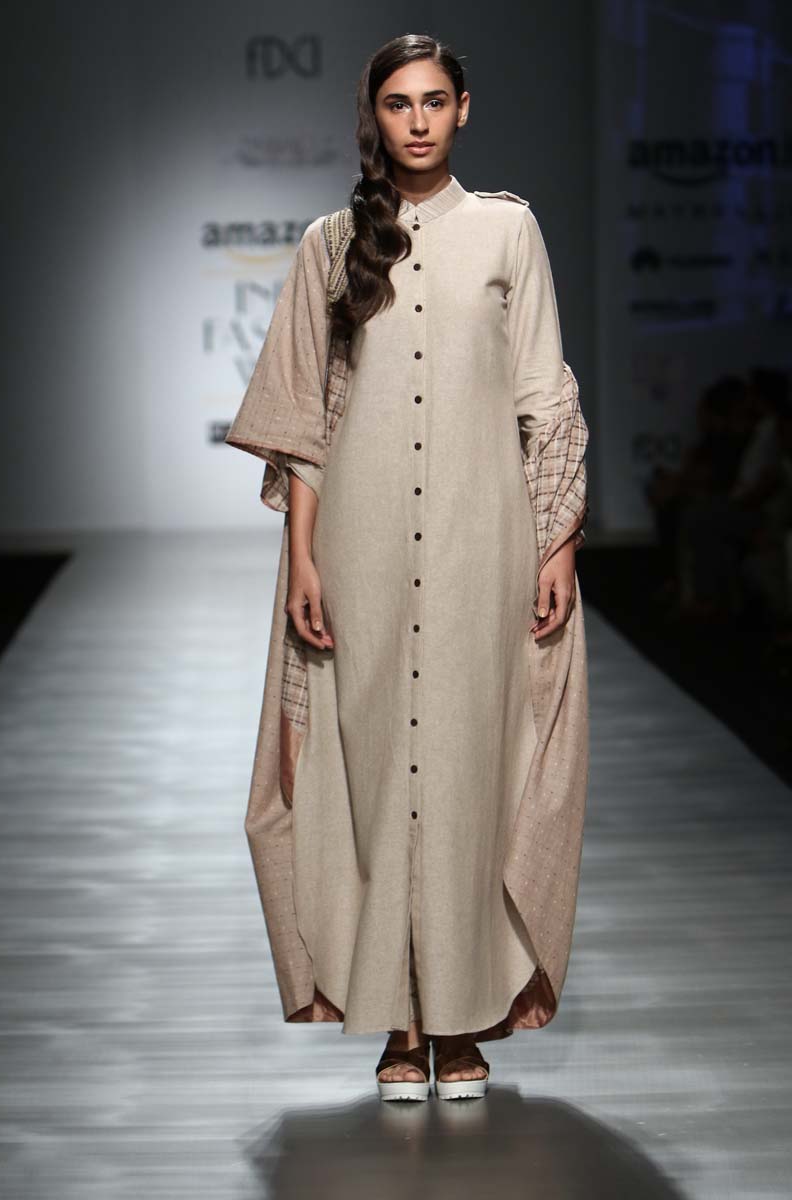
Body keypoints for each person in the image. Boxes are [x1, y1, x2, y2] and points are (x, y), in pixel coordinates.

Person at [225, 33, 590, 1102]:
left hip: (485, 541)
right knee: (374, 774)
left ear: (463, 109)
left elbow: (544, 394)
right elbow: (304, 422)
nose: (418, 121)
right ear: (374, 115)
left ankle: (463, 1021)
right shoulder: (330, 244)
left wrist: (557, 542)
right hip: (363, 545)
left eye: (434, 101)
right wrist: (301, 556)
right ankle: (399, 1022)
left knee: (474, 772)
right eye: (398, 103)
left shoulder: (509, 231)